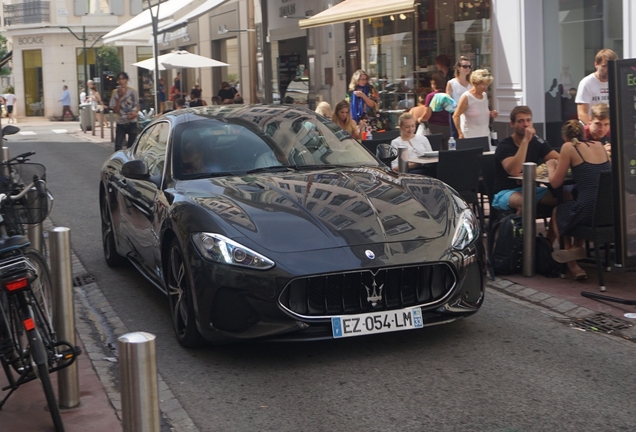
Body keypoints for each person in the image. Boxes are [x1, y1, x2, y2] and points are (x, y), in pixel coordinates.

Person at [546, 120, 611, 280]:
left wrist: (550, 167)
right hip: (608, 212)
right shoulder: (599, 145)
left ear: (565, 137)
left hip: (587, 212)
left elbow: (555, 183)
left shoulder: (569, 147)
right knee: (575, 205)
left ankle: (573, 265)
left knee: (559, 211)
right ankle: (576, 249)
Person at [492, 105, 560, 218]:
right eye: (520, 121)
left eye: (528, 120)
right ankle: (522, 235)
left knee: (565, 198)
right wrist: (525, 141)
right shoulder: (505, 145)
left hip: (530, 189)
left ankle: (551, 235)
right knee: (526, 202)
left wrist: (543, 170)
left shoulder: (537, 141)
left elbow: (558, 159)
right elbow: (514, 171)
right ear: (512, 124)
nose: (526, 124)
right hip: (505, 192)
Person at [575, 48, 617, 125]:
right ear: (596, 64)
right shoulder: (586, 83)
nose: (608, 70)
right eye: (604, 66)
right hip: (590, 130)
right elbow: (582, 114)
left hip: (610, 130)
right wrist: (595, 129)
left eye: (611, 66)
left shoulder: (616, 82)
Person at [453, 68, 498, 139]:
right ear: (475, 83)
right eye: (483, 84)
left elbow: (480, 112)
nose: (485, 87)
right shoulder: (466, 97)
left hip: (485, 135)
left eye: (487, 85)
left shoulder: (484, 95)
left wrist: (491, 113)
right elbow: (456, 116)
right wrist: (460, 133)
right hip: (470, 136)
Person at [109, 72, 140, 151]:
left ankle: (130, 162)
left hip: (132, 122)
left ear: (126, 80)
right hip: (121, 122)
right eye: (119, 79)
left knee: (131, 147)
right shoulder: (115, 93)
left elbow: (138, 105)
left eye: (123, 79)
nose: (121, 81)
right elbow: (115, 110)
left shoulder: (133, 92)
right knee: (118, 146)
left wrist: (135, 114)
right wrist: (119, 97)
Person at [446, 56, 473, 139]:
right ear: (458, 68)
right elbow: (448, 101)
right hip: (456, 113)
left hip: (469, 113)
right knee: (456, 136)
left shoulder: (471, 83)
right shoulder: (451, 83)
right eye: (465, 66)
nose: (467, 68)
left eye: (469, 66)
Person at [421, 73, 450, 138]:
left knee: (436, 146)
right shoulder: (448, 94)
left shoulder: (431, 96)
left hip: (435, 126)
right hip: (448, 127)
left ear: (433, 83)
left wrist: (420, 119)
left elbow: (427, 115)